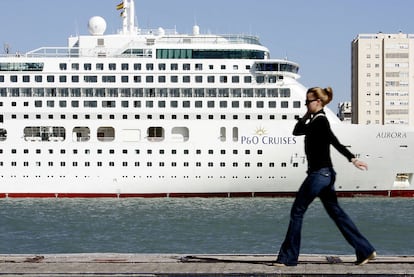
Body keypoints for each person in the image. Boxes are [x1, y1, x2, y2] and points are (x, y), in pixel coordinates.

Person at [275, 87, 376, 267]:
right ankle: (365, 250)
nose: (306, 104)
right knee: (337, 214)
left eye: (308, 102)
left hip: (318, 175)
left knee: (297, 212)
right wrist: (307, 113)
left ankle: (288, 258)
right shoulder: (317, 120)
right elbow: (297, 130)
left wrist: (353, 159)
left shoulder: (320, 122)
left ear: (318, 102)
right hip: (326, 175)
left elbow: (334, 142)